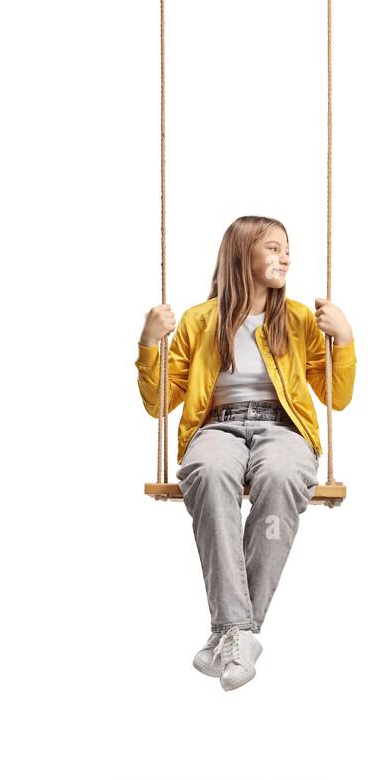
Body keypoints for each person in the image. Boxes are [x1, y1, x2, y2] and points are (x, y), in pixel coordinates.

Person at [136, 215, 356, 691]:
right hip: (218, 425)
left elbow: (335, 396)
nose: (286, 257)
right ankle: (243, 632)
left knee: (282, 476)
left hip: (284, 427)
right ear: (242, 255)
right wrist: (150, 342)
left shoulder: (298, 319)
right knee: (209, 472)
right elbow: (160, 401)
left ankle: (230, 631)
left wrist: (344, 338)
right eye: (273, 248)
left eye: (286, 249)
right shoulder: (199, 320)